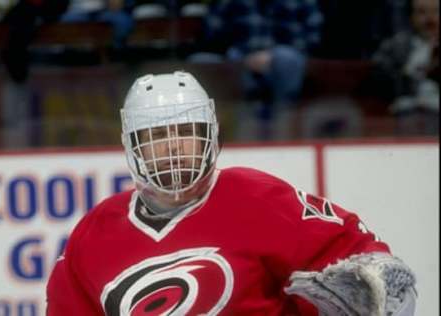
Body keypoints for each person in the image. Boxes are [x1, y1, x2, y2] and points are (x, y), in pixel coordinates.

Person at [46, 71, 417, 315]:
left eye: (186, 131)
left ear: (211, 133)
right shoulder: (94, 234)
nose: (174, 147)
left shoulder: (256, 197)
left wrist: (377, 281)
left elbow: (364, 259)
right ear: (132, 146)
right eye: (157, 136)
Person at [200, 0, 323, 139]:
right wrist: (244, 57)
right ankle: (229, 130)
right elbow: (211, 34)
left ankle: (285, 124)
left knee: (286, 59)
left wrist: (273, 55)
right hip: (238, 59)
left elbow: (313, 38)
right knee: (203, 60)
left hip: (286, 62)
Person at [370, 0, 439, 134]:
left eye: (436, 11)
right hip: (405, 113)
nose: (430, 18)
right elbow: (378, 81)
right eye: (422, 12)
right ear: (411, 17)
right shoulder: (395, 46)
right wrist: (409, 75)